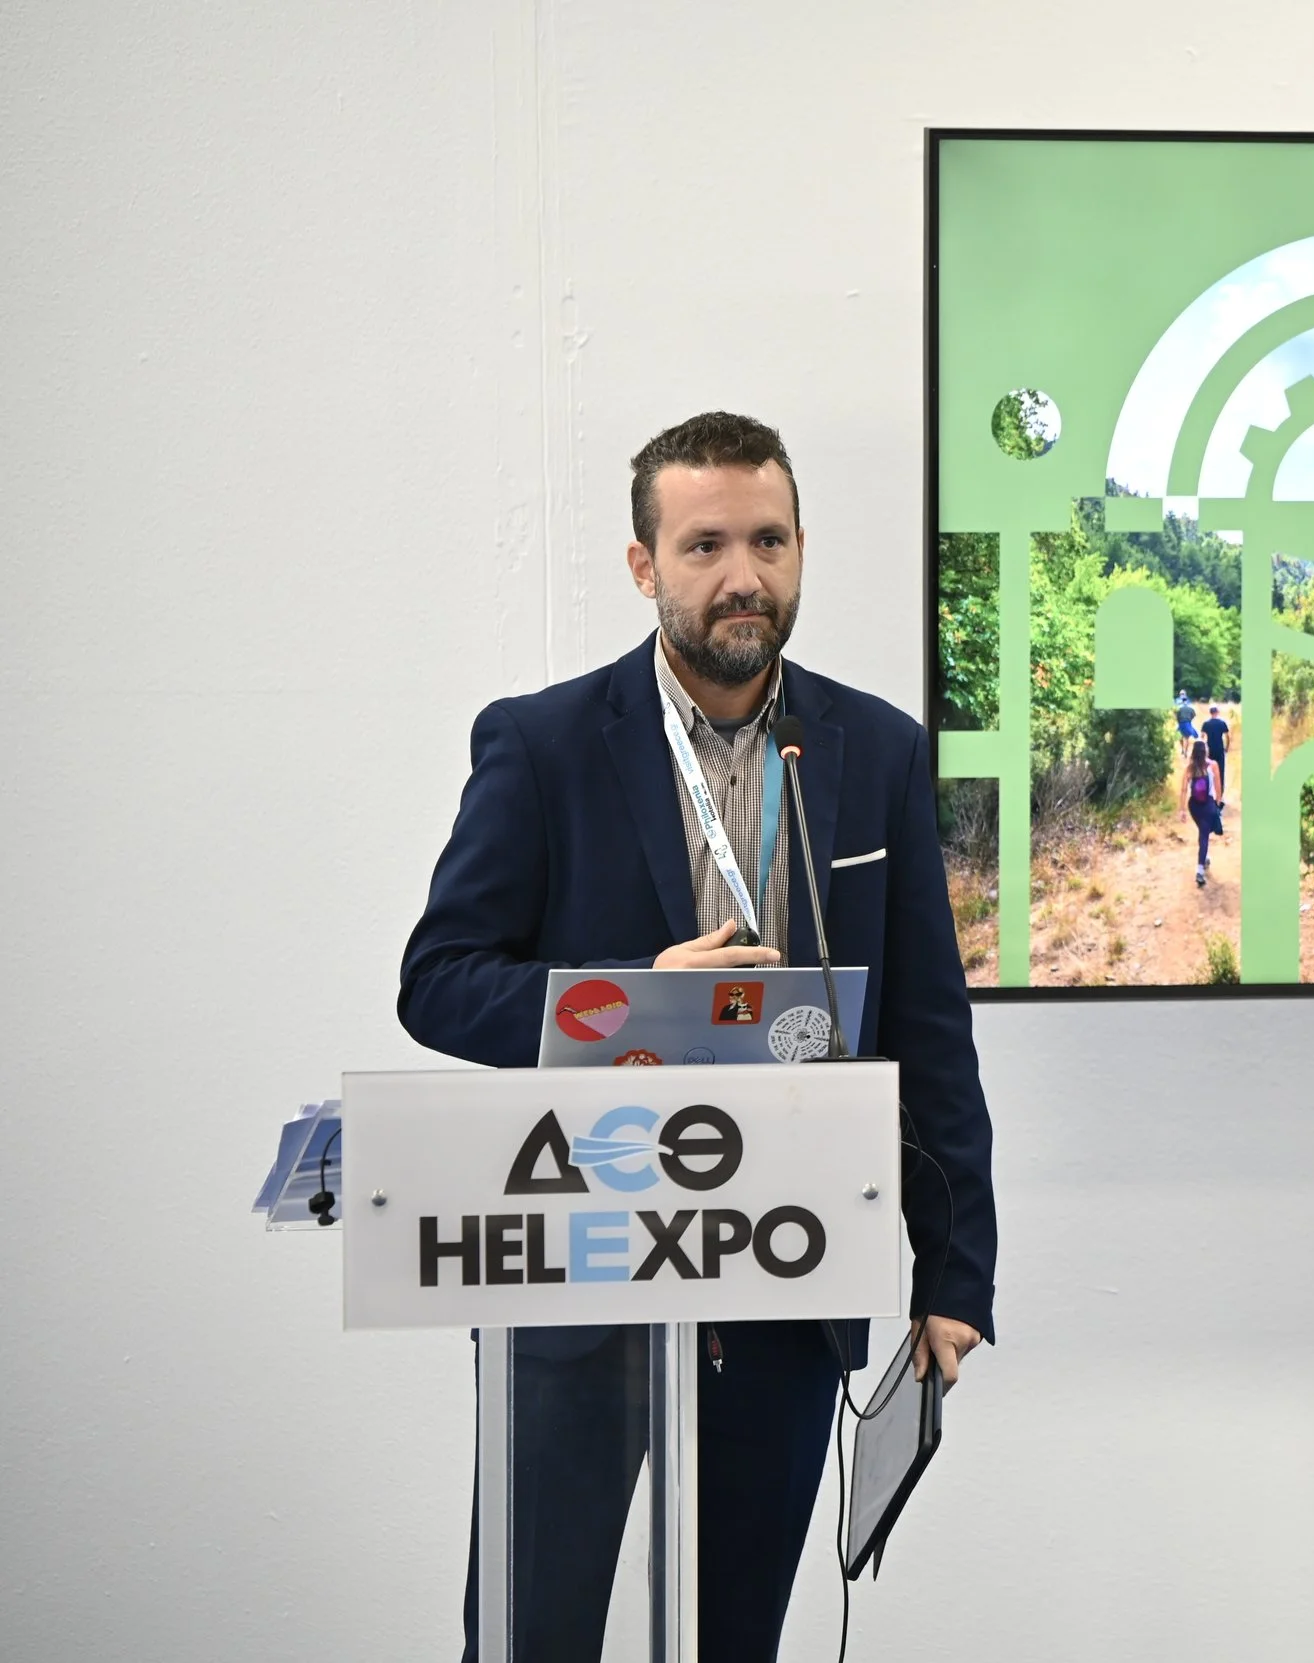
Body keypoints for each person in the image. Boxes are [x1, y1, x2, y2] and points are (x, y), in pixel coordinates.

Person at [399, 411, 998, 1662]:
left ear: (801, 549)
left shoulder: (878, 751)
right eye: (706, 545)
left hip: (787, 1272)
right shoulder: (541, 743)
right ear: (644, 566)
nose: (743, 576)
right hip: (579, 1280)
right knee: (528, 1639)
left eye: (769, 541)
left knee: (737, 1641)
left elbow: (928, 1028)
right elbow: (440, 982)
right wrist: (632, 1000)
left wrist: (954, 1276)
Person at [1184, 738, 1220, 887]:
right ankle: (1199, 870)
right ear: (1205, 751)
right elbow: (1218, 786)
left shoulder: (1190, 768)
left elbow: (1183, 790)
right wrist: (1218, 803)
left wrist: (1181, 810)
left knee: (1203, 832)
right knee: (1204, 835)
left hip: (1193, 806)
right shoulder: (1213, 765)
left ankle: (1204, 857)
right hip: (1208, 804)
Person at [1199, 701, 1231, 803]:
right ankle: (1220, 795)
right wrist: (1227, 748)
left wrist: (1203, 750)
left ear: (1210, 712)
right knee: (1220, 771)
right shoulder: (1222, 723)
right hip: (1219, 749)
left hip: (1210, 750)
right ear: (1217, 712)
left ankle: (1209, 792)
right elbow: (1227, 737)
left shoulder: (1206, 724)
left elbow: (1202, 737)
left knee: (1208, 771)